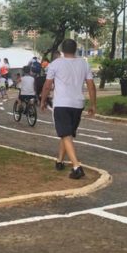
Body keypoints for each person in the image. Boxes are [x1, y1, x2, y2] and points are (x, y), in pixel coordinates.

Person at [39, 38, 97, 180]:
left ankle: (76, 167)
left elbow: (47, 85)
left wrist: (42, 100)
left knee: (65, 134)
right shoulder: (84, 63)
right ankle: (59, 161)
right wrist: (93, 104)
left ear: (62, 50)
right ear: (76, 49)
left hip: (61, 104)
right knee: (67, 134)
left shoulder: (55, 64)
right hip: (78, 104)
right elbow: (91, 85)